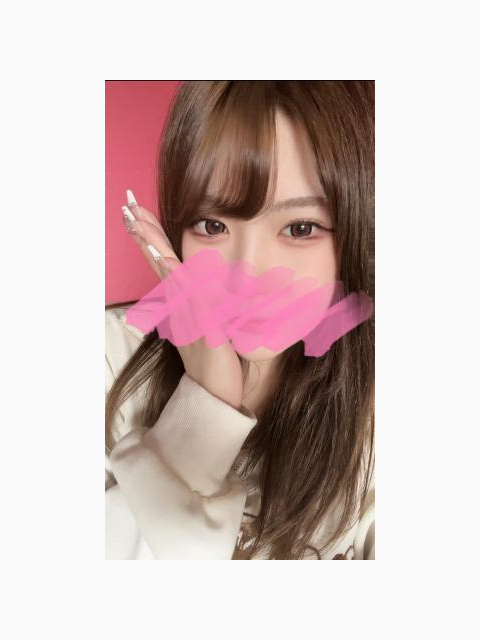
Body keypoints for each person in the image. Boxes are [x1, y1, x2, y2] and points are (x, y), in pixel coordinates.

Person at [105, 80, 375, 560]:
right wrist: (204, 408)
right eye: (213, 225)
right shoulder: (107, 359)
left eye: (300, 228)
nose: (246, 276)